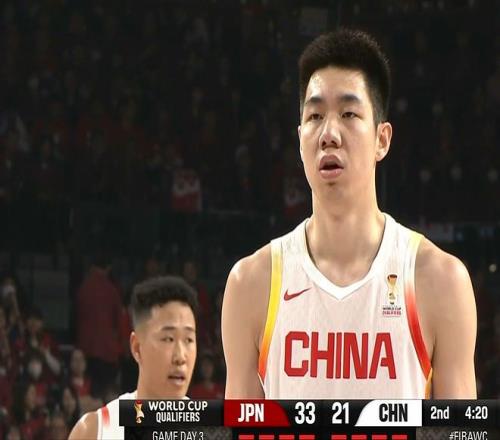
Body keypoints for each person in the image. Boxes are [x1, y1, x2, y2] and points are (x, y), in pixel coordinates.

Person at [221, 29, 477, 399]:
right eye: (315, 116)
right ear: (300, 139)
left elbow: (459, 427)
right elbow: (242, 425)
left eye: (348, 113)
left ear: (382, 139)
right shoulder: (251, 284)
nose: (329, 133)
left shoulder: (440, 282)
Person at [69, 276, 198, 439]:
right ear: (137, 347)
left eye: (188, 340)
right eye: (168, 339)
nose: (180, 357)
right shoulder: (96, 431)